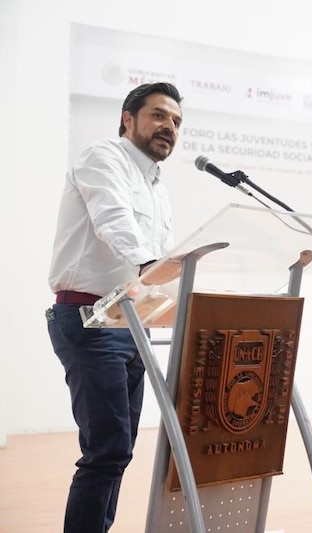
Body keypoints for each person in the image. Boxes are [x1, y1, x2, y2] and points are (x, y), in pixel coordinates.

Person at [46, 82, 183, 533]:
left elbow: (158, 268)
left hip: (130, 324)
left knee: (117, 451)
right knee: (106, 450)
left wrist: (180, 301)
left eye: (177, 122)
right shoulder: (103, 157)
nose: (170, 127)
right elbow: (113, 219)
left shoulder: (157, 188)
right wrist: (147, 265)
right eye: (160, 116)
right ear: (128, 117)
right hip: (89, 320)